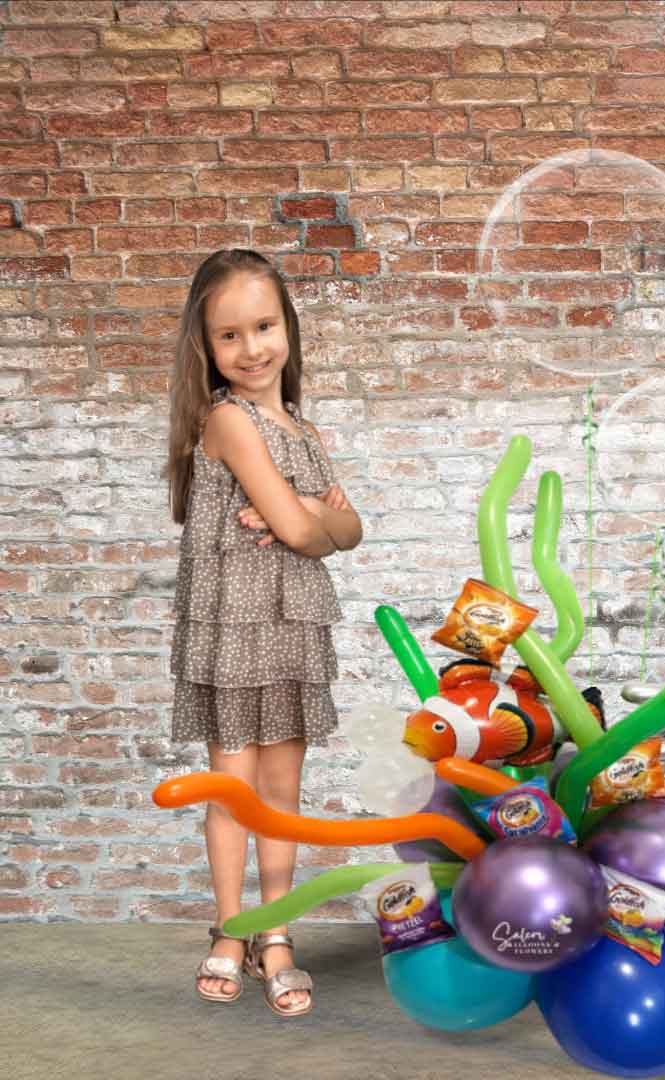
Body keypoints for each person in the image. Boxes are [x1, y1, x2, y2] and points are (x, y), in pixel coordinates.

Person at [164, 249, 363, 1016]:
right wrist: (313, 517)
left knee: (282, 794)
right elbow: (309, 528)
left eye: (264, 326)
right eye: (229, 336)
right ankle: (228, 930)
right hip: (232, 627)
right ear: (206, 348)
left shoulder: (303, 428)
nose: (251, 349)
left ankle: (274, 935)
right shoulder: (226, 420)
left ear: (288, 327)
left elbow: (348, 529)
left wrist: (314, 519)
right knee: (232, 791)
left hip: (291, 623)